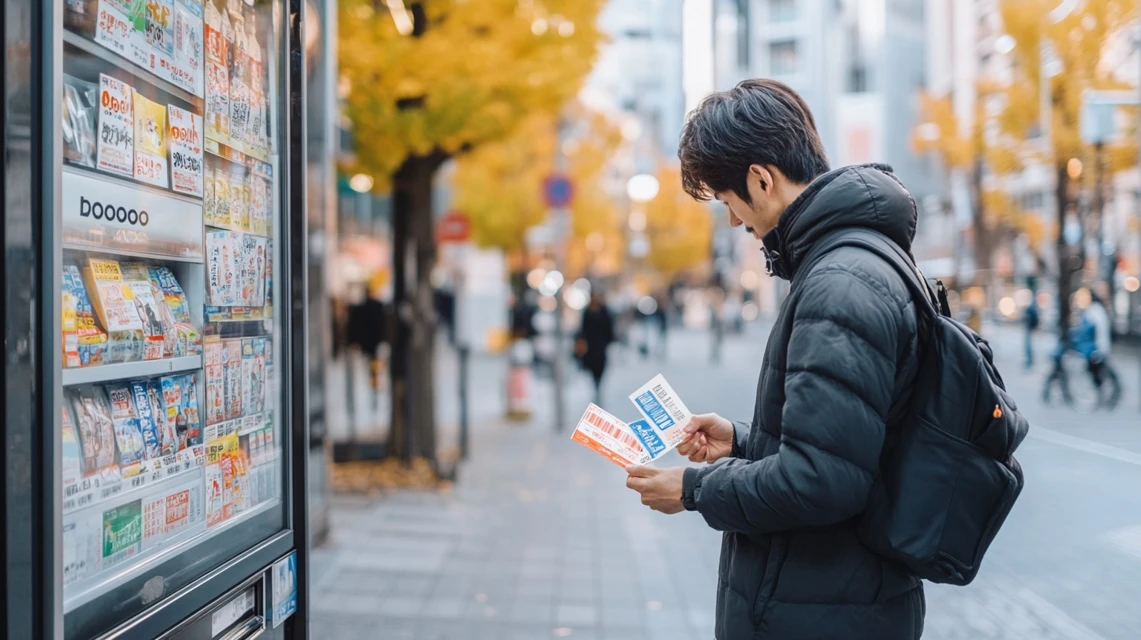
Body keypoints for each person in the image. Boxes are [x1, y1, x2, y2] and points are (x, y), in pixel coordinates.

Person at [624, 79, 925, 639]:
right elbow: (847, 448)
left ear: (761, 179)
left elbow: (823, 482)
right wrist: (742, 440)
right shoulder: (852, 261)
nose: (735, 222)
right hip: (840, 599)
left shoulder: (837, 283)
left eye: (729, 202)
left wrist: (692, 491)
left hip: (822, 609)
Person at [575, 292, 615, 406]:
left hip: (600, 347)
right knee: (592, 369)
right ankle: (596, 386)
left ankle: (598, 386)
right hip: (590, 348)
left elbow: (609, 329)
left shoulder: (604, 311)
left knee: (600, 368)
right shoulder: (586, 312)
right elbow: (582, 330)